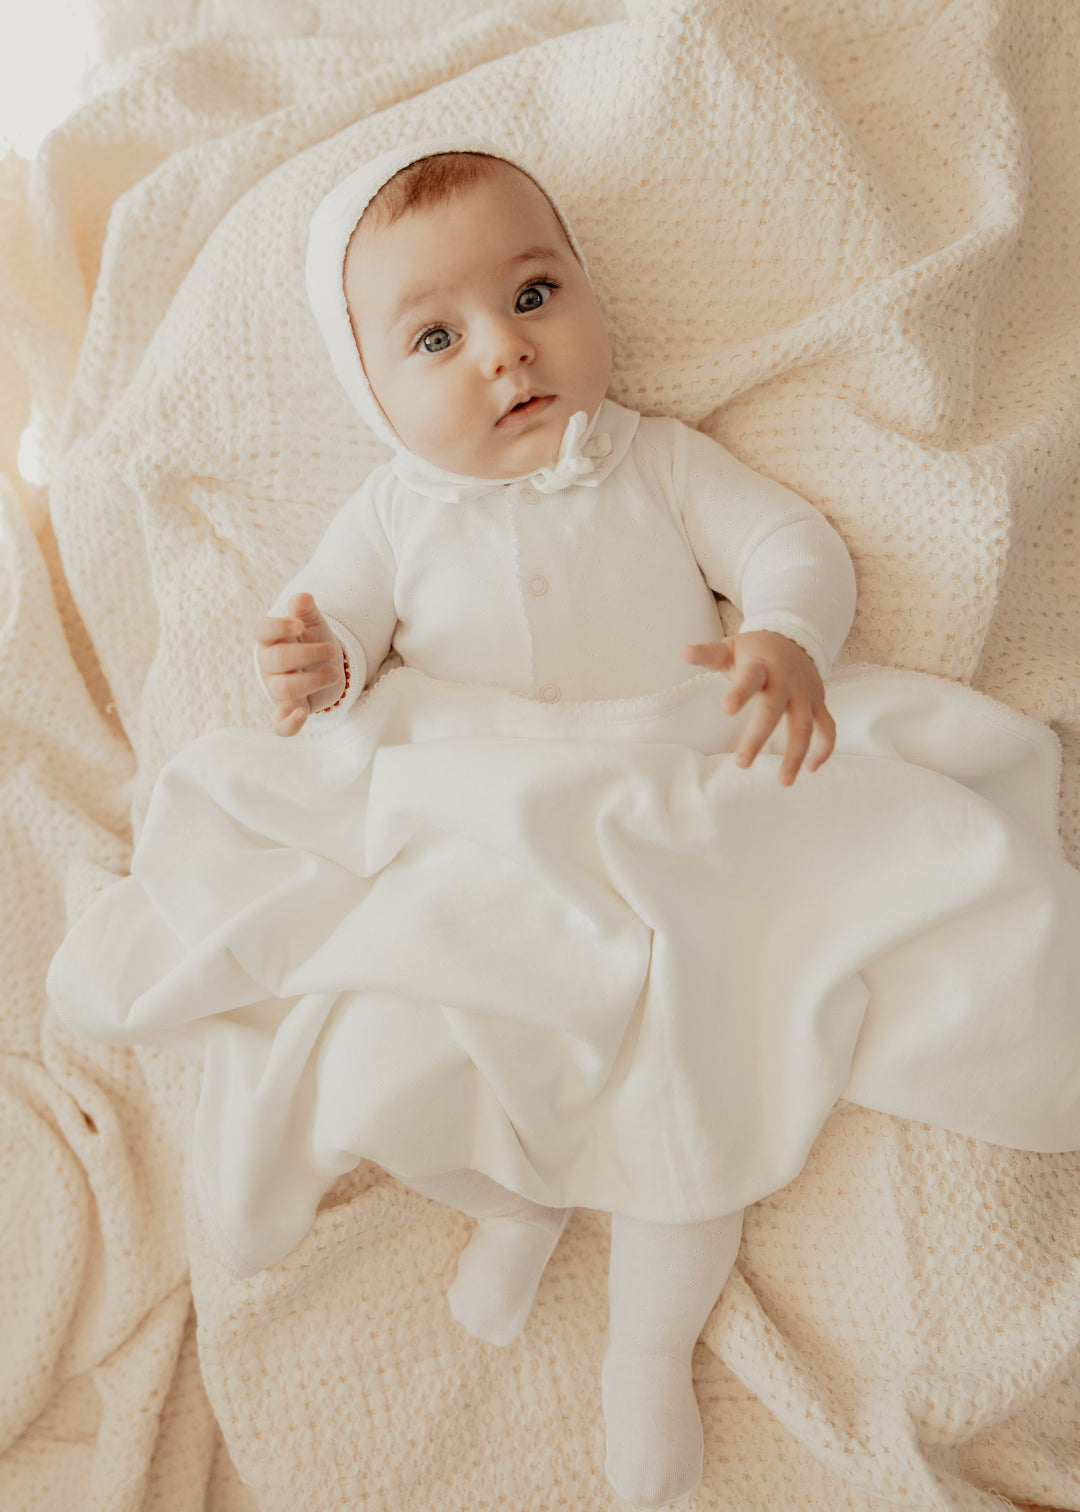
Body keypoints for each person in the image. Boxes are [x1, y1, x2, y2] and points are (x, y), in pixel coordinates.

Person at [255, 138, 857, 1507]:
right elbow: (339, 624)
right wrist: (319, 661)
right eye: (434, 336)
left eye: (534, 296)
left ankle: (647, 1352)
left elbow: (793, 546)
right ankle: (513, 1205)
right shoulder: (393, 509)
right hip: (490, 835)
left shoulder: (660, 464)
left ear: (590, 296)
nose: (503, 355)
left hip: (663, 827)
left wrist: (786, 638)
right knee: (401, 1055)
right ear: (372, 391)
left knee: (694, 1090)